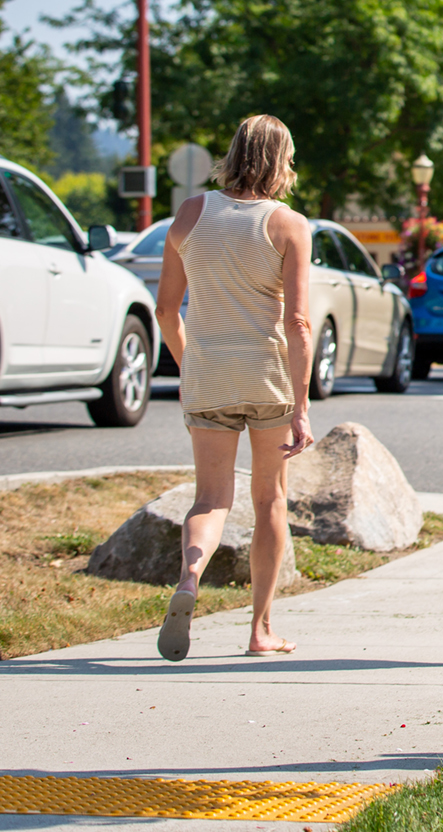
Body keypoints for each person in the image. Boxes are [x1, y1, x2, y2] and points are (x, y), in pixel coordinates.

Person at [153, 115, 315, 661]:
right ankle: (260, 629)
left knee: (210, 498)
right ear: (282, 160)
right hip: (267, 377)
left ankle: (191, 576)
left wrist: (188, 363)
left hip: (208, 377)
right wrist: (302, 404)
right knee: (269, 498)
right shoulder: (288, 225)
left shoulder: (191, 212)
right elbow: (298, 323)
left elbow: (165, 309)